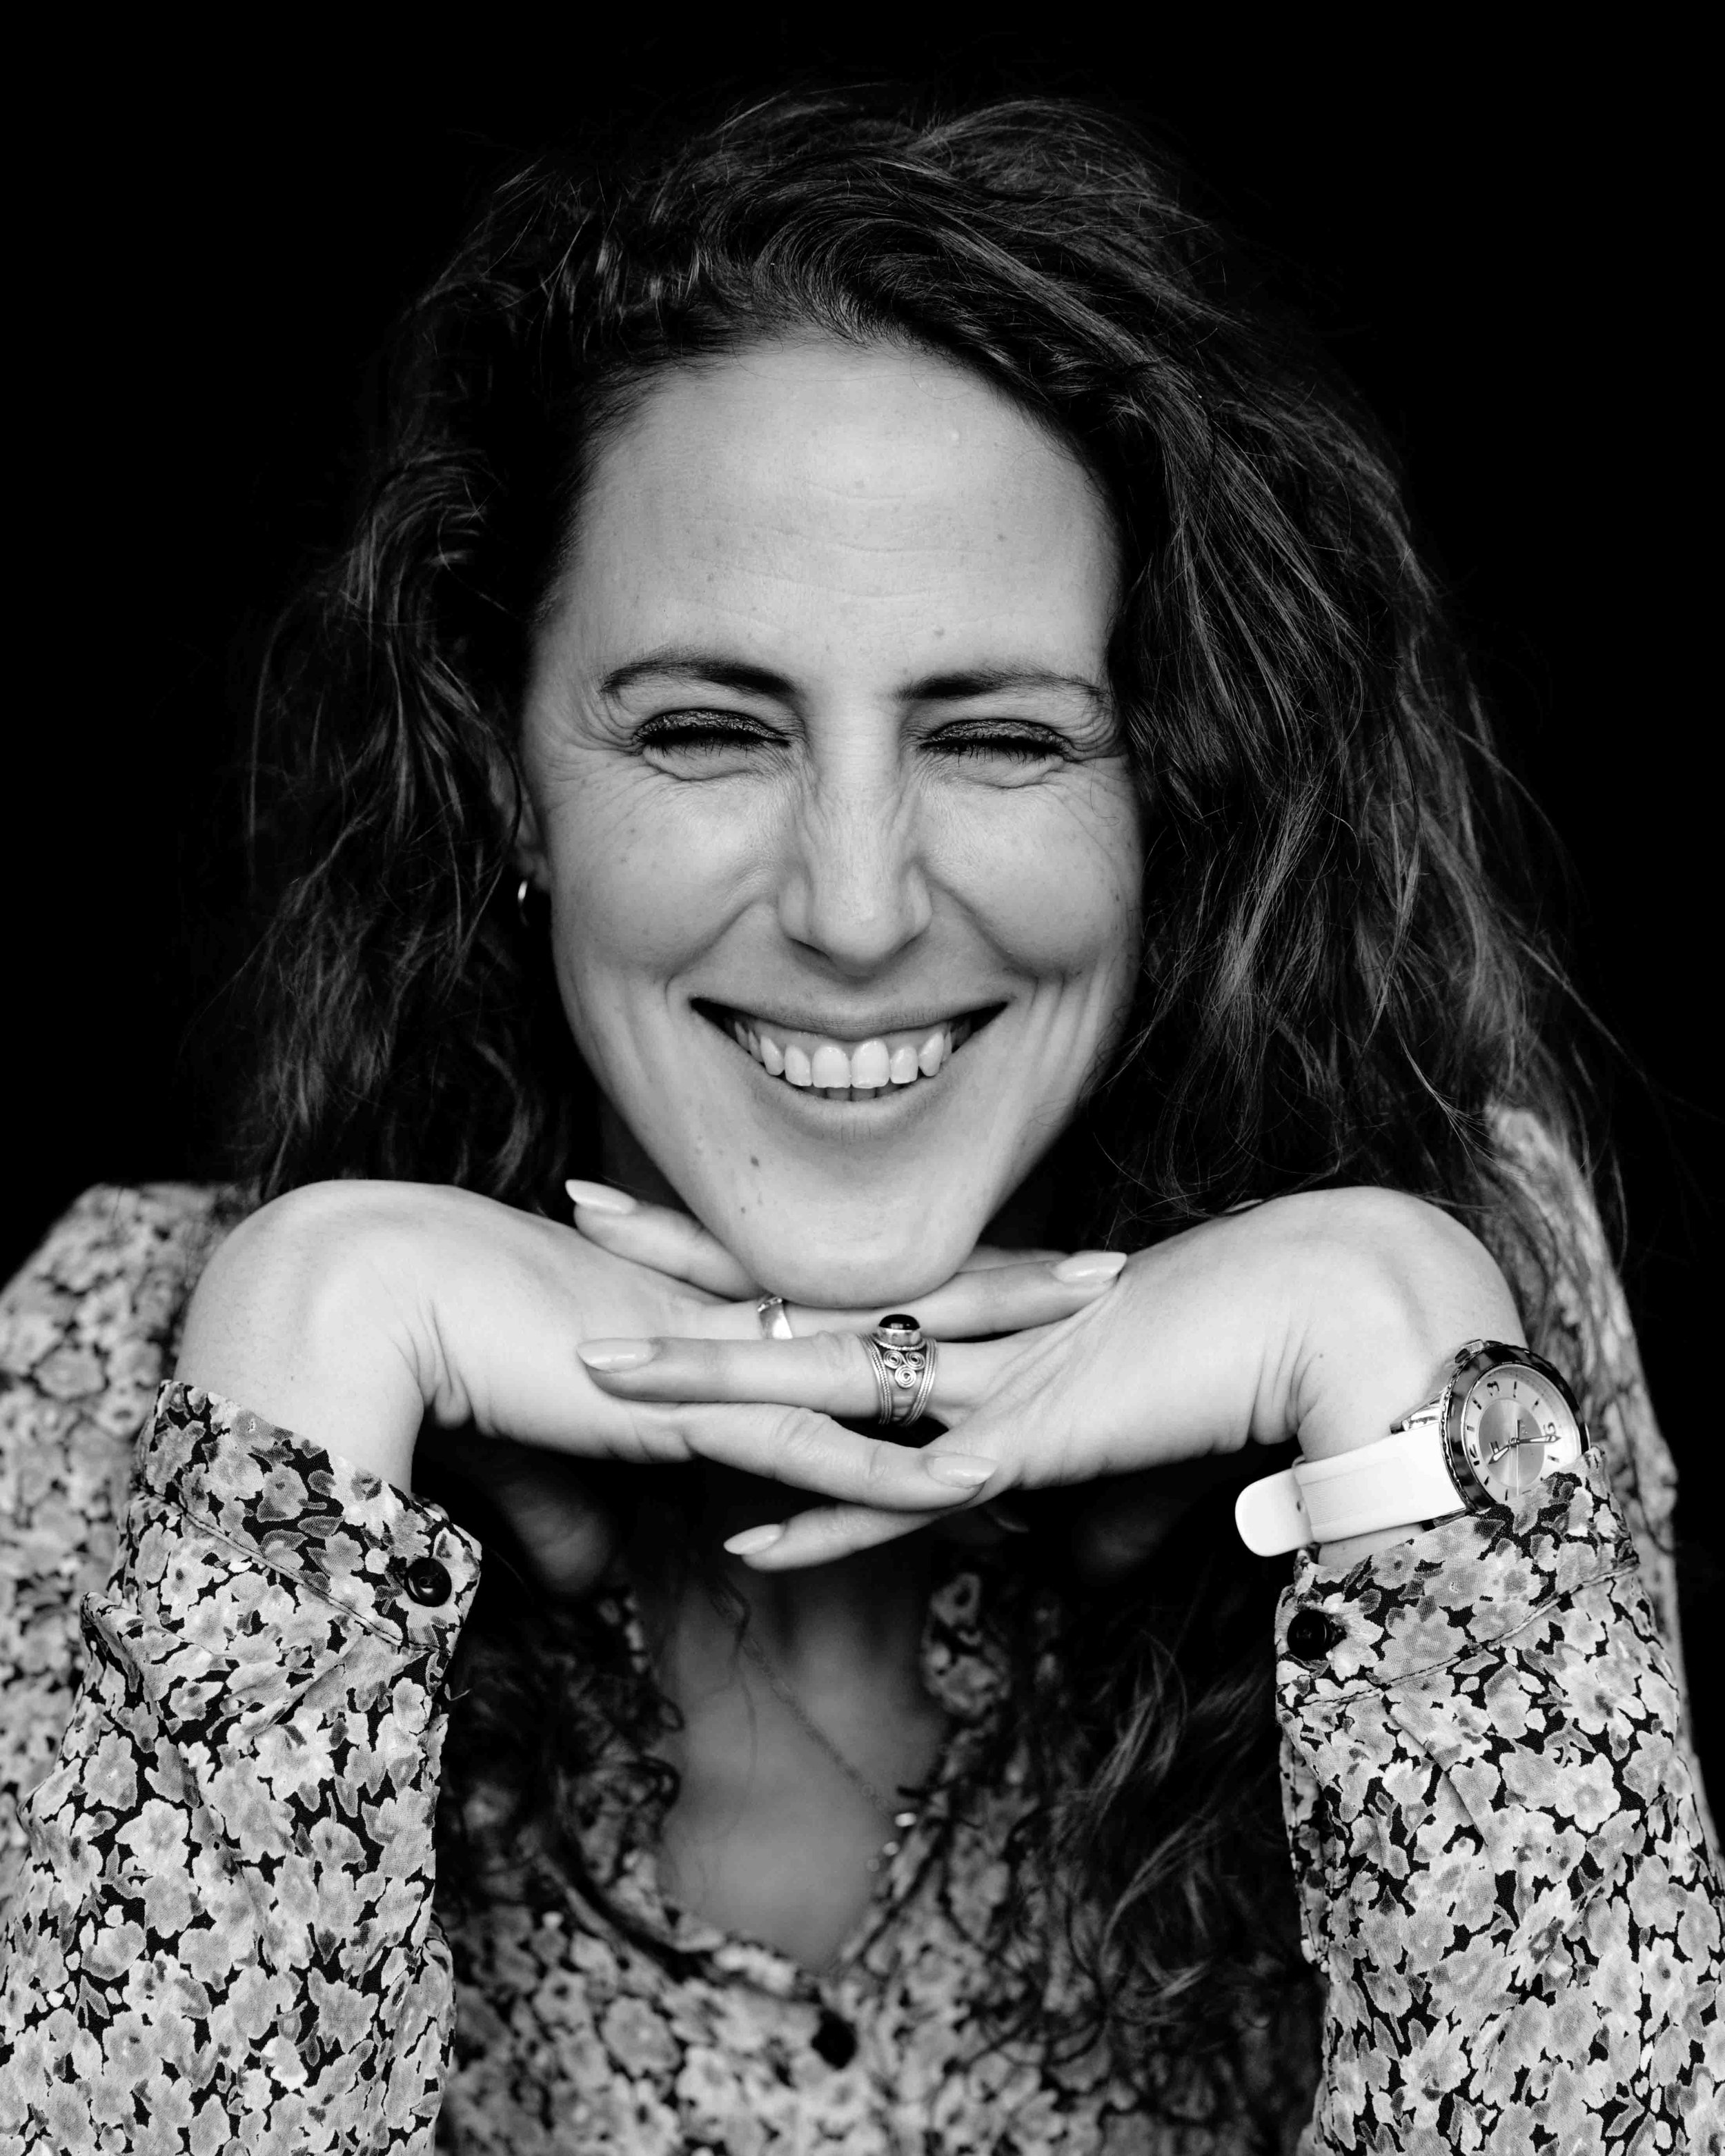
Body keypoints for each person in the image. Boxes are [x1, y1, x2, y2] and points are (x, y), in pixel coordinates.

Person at [1, 88, 1719, 2155]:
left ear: (1168, 801)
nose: (851, 905)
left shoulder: (1452, 1352)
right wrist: (321, 1317)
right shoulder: (135, 1364)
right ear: (505, 782)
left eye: (997, 737)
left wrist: (1386, 1312)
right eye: (707, 730)